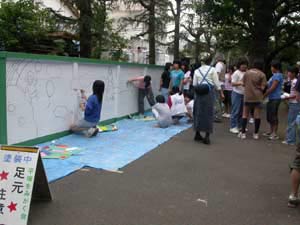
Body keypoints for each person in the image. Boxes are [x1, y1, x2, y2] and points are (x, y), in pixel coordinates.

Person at [193, 57, 224, 145]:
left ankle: (197, 133)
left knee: (198, 112)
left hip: (198, 93)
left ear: (202, 61)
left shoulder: (196, 70)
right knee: (208, 113)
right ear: (210, 61)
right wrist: (221, 92)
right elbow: (217, 84)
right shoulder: (213, 70)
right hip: (209, 93)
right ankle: (207, 136)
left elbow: (194, 84)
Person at [239, 60, 267, 140]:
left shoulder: (247, 73)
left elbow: (243, 84)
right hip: (257, 97)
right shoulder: (262, 74)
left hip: (247, 96)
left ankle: (243, 133)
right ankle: (255, 134)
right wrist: (257, 87)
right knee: (257, 115)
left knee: (245, 115)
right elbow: (263, 87)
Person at [263, 60, 284, 140]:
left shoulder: (277, 75)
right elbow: (268, 85)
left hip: (275, 97)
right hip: (271, 98)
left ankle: (274, 133)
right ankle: (271, 131)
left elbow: (272, 88)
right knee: (270, 115)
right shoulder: (274, 75)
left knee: (273, 115)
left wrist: (264, 95)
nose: (271, 68)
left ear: (275, 67)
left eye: (272, 66)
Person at [230, 58, 248, 134]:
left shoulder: (247, 72)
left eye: (245, 65)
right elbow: (232, 83)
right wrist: (240, 83)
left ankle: (241, 126)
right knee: (235, 110)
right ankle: (233, 126)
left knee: (242, 111)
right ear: (239, 65)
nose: (244, 66)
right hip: (236, 93)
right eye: (242, 65)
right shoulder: (236, 73)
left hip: (244, 94)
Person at [282, 66, 300, 145]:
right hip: (294, 103)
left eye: (288, 72)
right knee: (292, 121)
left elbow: (295, 95)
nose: (287, 74)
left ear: (293, 73)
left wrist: (286, 97)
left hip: (294, 103)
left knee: (291, 122)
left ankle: (290, 140)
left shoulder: (295, 82)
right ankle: (291, 139)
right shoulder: (294, 81)